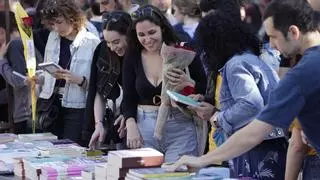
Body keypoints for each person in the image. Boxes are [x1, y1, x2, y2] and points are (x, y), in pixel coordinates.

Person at [167, 0, 320, 171]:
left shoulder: (301, 73)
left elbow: (255, 130)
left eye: (273, 36)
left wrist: (202, 159)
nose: (273, 46)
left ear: (293, 32)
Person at [191, 10, 286, 179]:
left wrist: (218, 118)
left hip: (255, 148)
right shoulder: (251, 58)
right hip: (271, 141)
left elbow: (250, 104)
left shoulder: (235, 65)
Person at [123, 5, 207, 162]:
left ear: (162, 28)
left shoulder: (183, 51)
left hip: (180, 124)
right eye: (141, 35)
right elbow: (128, 97)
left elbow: (205, 87)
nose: (147, 39)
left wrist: (189, 83)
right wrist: (131, 123)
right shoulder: (133, 56)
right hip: (144, 125)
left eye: (152, 32)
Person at [37, 0, 100, 144]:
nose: (57, 28)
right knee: (50, 149)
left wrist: (80, 80)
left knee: (72, 149)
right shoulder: (53, 37)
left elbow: (99, 85)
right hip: (52, 103)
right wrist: (39, 77)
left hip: (78, 106)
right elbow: (50, 72)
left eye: (59, 22)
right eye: (52, 24)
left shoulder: (91, 42)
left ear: (72, 18)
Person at [83, 11, 132, 150]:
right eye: (108, 42)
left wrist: (128, 115)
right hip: (116, 122)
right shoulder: (103, 50)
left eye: (116, 42)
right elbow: (100, 91)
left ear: (128, 35)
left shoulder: (139, 54)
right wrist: (98, 123)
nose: (112, 47)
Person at [0, 11, 32, 133]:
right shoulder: (22, 41)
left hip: (23, 111)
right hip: (25, 108)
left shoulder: (14, 45)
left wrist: (1, 60)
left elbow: (18, 80)